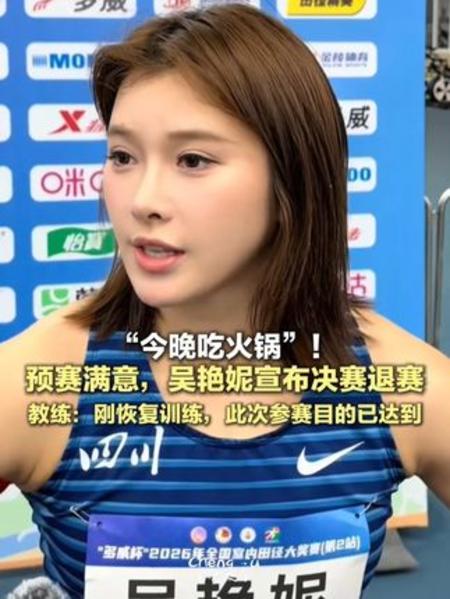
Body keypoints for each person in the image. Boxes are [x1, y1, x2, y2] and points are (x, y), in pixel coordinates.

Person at [1, 3, 449, 598]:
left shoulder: (400, 387)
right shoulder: (39, 383)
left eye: (193, 160)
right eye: (123, 156)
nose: (142, 200)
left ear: (292, 180)